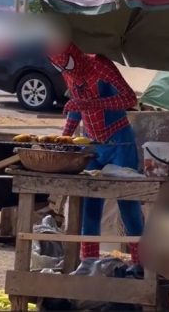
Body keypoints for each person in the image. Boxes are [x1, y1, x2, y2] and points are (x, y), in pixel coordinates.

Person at [49, 43, 144, 276]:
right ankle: (88, 259)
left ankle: (141, 261)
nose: (67, 71)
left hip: (119, 141)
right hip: (91, 144)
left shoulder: (99, 65)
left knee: (128, 204)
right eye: (60, 67)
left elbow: (128, 98)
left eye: (67, 65)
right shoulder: (67, 71)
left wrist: (88, 104)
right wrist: (64, 139)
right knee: (89, 202)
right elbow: (75, 107)